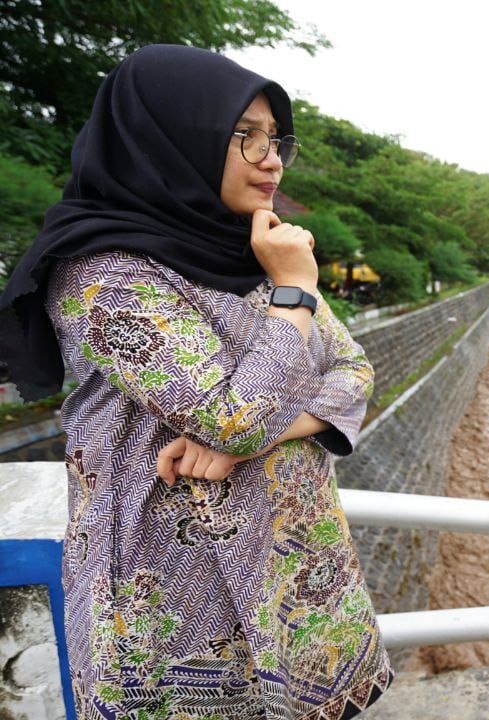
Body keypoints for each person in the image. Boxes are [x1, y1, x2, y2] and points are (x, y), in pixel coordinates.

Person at [0, 45, 392, 717]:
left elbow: (352, 371)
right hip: (173, 592)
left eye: (276, 140)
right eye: (246, 137)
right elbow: (228, 417)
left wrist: (260, 437)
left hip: (295, 576)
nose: (270, 158)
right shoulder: (103, 273)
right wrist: (295, 292)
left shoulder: (257, 251)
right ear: (171, 139)